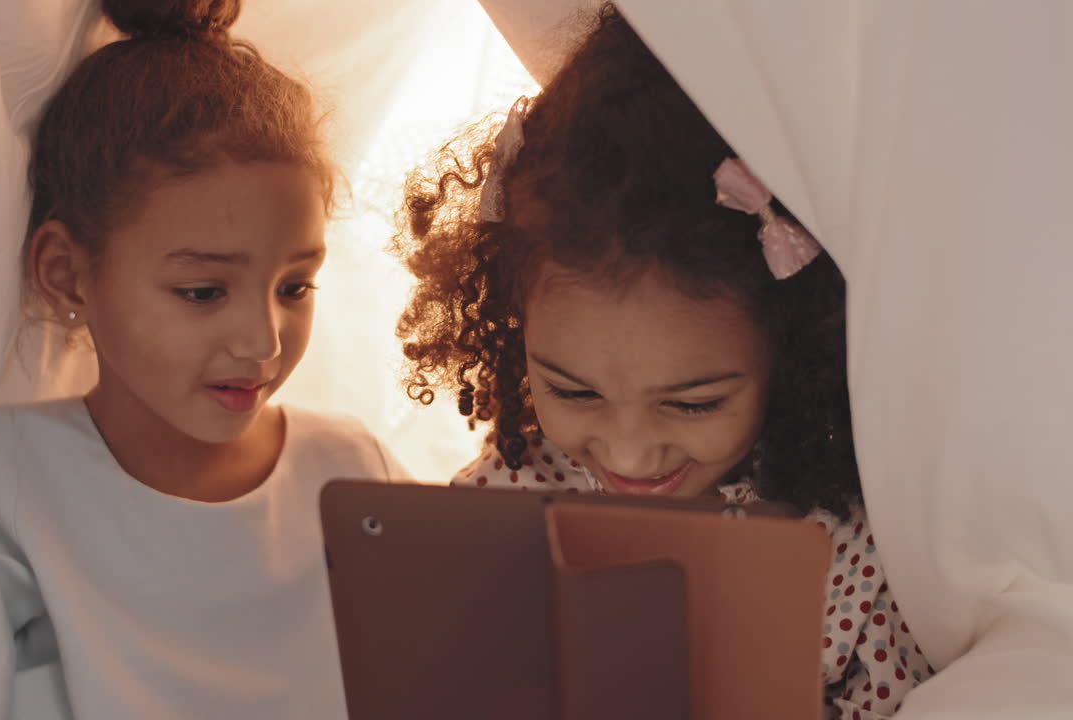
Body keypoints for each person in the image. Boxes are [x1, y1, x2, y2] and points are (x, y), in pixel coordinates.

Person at [393, 5, 929, 717]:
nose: (631, 453)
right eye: (573, 392)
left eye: (693, 402)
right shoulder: (496, 510)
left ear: (793, 351)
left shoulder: (851, 552)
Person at [0, 1, 403, 717]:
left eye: (295, 286)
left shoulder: (353, 472)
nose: (264, 343)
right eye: (204, 291)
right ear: (66, 274)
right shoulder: (1, 494)